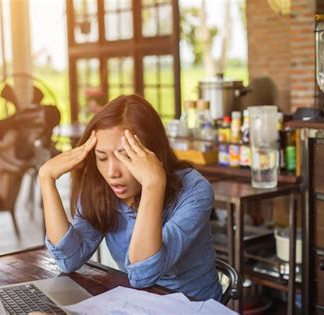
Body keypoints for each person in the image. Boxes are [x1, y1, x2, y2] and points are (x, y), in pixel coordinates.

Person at [38, 94, 222, 301]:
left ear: (152, 153)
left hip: (194, 307)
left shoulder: (195, 190)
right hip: (139, 303)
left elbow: (143, 275)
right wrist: (46, 179)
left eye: (125, 156)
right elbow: (68, 260)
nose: (111, 172)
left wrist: (153, 184)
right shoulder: (102, 186)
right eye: (101, 157)